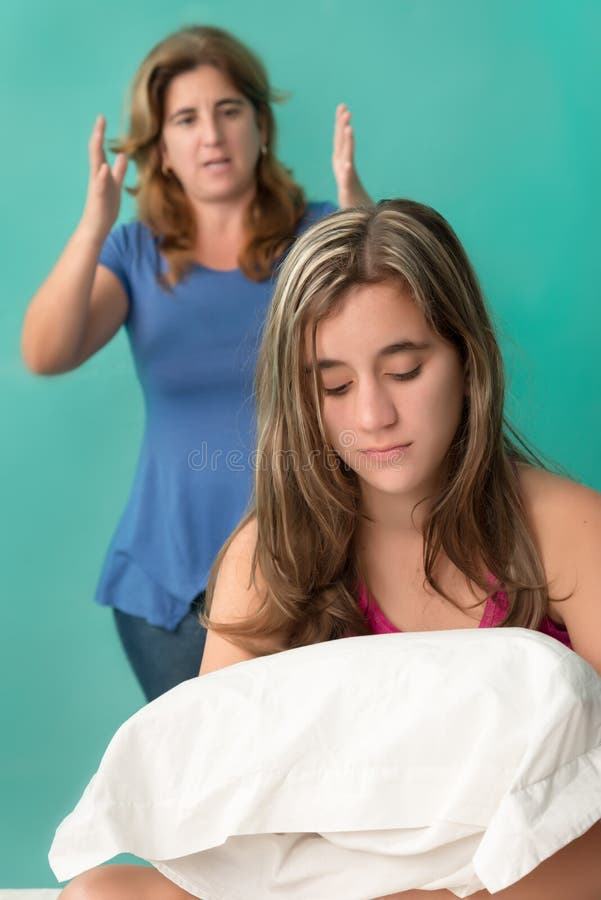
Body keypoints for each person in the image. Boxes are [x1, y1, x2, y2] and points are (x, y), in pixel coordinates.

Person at [58, 200, 601, 897]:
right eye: (334, 385)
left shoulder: (564, 528)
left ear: (467, 360)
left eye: (404, 371)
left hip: (521, 877)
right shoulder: (267, 558)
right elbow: (215, 806)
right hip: (325, 880)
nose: (372, 416)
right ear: (299, 395)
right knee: (101, 890)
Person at [21, 25, 371, 701]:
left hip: (314, 565)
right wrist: (92, 227)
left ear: (260, 126)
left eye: (228, 110)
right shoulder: (132, 253)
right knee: (206, 794)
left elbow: (386, 324)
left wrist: (359, 213)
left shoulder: (318, 234)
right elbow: (46, 352)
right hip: (169, 583)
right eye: (185, 118)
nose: (210, 135)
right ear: (162, 148)